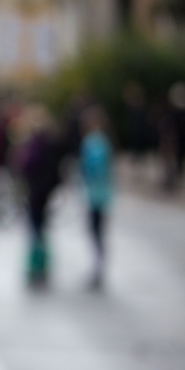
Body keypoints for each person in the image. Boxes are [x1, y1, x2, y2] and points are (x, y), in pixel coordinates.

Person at [14, 105, 64, 289]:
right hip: (46, 191)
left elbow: (26, 166)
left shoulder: (35, 144)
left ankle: (36, 264)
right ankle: (43, 264)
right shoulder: (52, 142)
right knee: (42, 229)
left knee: (35, 230)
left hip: (36, 191)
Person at [79, 106, 114, 290]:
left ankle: (98, 267)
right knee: (98, 231)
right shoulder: (103, 141)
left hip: (95, 192)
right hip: (102, 192)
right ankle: (98, 265)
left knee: (95, 230)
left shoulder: (93, 142)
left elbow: (93, 168)